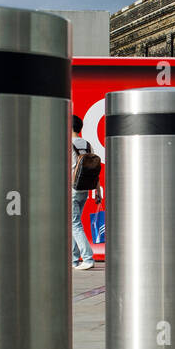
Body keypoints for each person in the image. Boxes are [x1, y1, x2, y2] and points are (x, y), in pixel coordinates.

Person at [71, 115, 96, 270]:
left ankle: (87, 258)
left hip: (71, 188)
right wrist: (97, 191)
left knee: (74, 224)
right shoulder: (87, 144)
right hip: (84, 188)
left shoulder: (67, 144)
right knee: (74, 224)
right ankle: (73, 260)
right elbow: (93, 168)